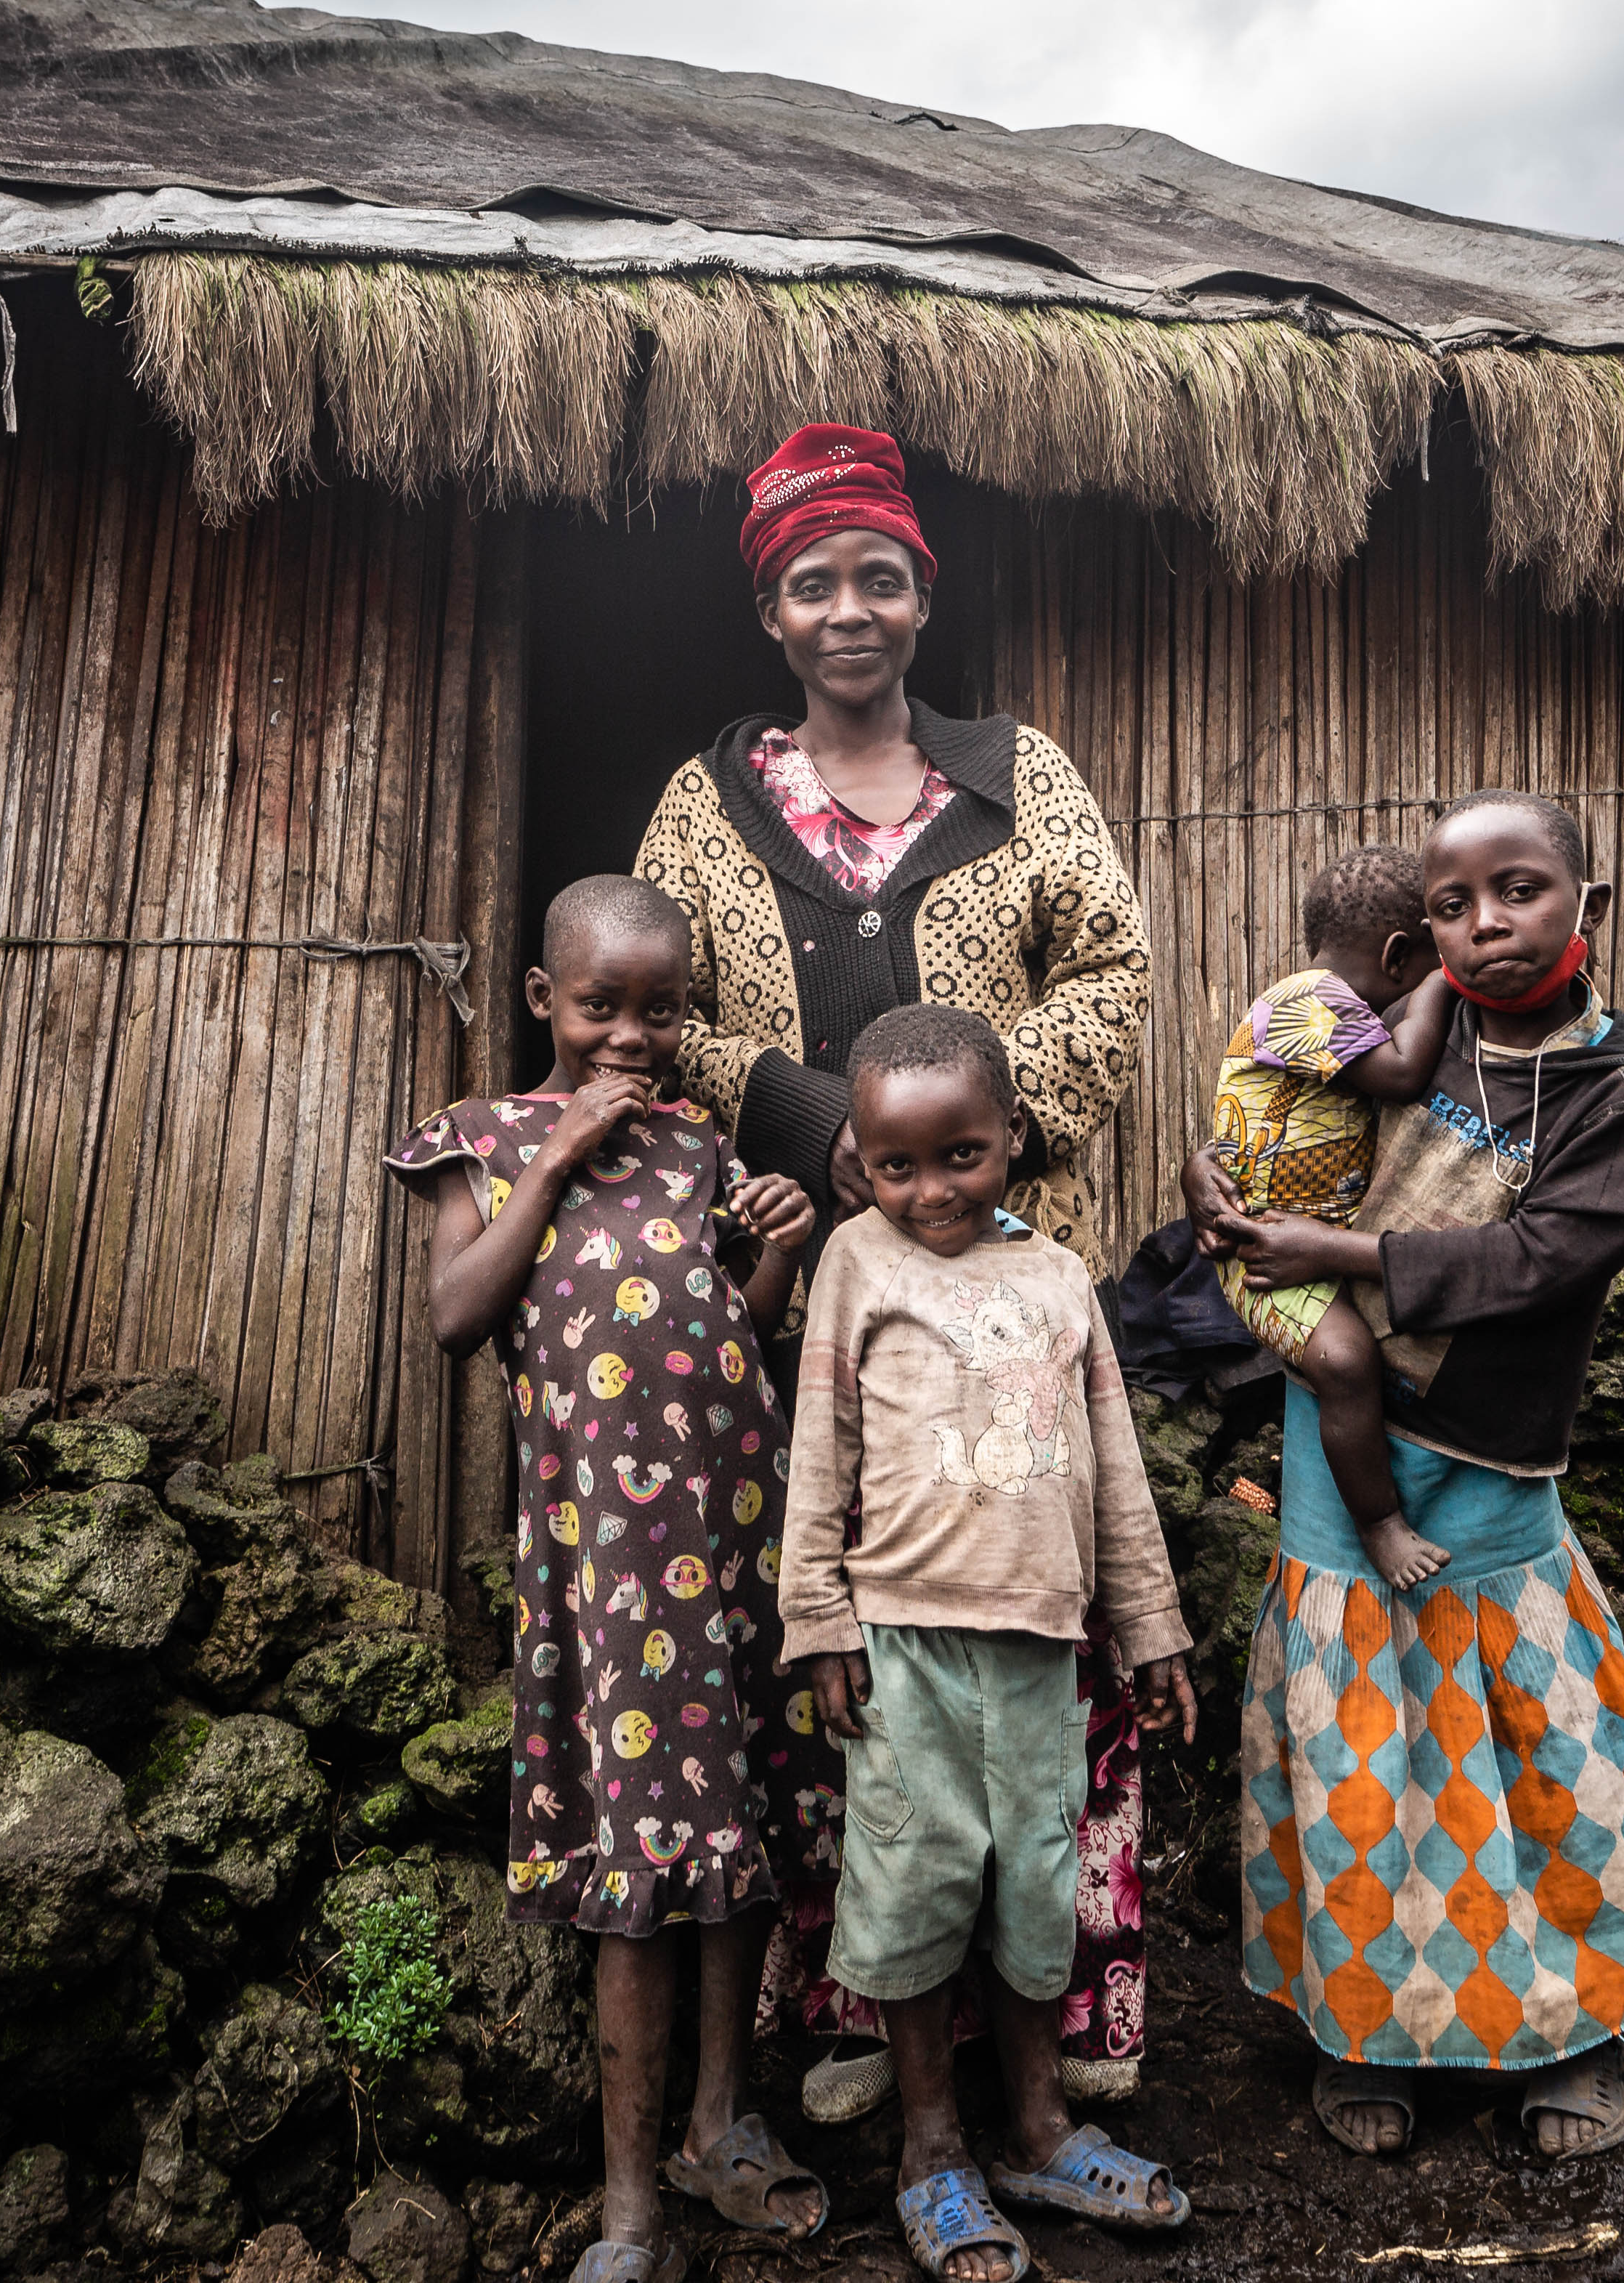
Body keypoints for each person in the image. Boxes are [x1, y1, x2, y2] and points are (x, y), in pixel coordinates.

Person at [630, 421, 1161, 2106]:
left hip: (1008, 1287)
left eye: (875, 575)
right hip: (817, 1295)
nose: (845, 606)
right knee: (854, 1643)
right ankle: (869, 2002)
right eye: (810, 582)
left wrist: (959, 1118)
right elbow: (664, 1007)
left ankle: (1069, 2017)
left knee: (1028, 1628)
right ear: (770, 615)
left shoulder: (1015, 772)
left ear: (918, 596)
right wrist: (803, 1116)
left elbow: (1114, 972)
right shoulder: (705, 801)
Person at [1190, 792, 1624, 2164]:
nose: (1490, 925)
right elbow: (1270, 1106)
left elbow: (1547, 1259)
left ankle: (1574, 2029)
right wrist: (1220, 1190)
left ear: (1590, 902)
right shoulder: (1410, 1026)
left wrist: (1338, 1259)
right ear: (1424, 931)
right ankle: (1368, 2026)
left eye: (1522, 889)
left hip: (1487, 1446)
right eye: (1457, 905)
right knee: (1360, 1741)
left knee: (1525, 1735)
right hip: (1341, 1428)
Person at [386, 875, 829, 2283]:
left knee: (736, 1833)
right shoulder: (485, 1139)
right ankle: (630, 2201)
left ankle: (720, 2125)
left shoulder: (702, 1147)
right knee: (642, 1857)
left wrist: (777, 1252)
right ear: (542, 1002)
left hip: (736, 1538)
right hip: (613, 1572)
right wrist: (558, 1156)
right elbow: (460, 1317)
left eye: (661, 1009)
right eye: (601, 1007)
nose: (633, 1035)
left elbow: (736, 1348)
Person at [779, 1006, 1197, 2282]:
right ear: (860, 1157)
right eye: (896, 1164)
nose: (929, 1188)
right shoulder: (855, 1261)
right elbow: (822, 1447)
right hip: (902, 1646)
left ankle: (1036, 2131)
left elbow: (1114, 1463)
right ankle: (929, 2150)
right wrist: (817, 1617)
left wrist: (1151, 1625)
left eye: (960, 1155)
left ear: (1011, 1136)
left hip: (1041, 1651)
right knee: (913, 1890)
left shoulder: (1062, 1278)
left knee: (1031, 1894)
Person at [1202, 842, 1455, 1591]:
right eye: (1430, 959)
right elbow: (1405, 1073)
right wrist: (1447, 982)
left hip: (1306, 1236)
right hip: (1262, 1251)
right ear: (1399, 952)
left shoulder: (1324, 1005)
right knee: (1347, 1365)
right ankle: (1378, 1523)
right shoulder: (1305, 1002)